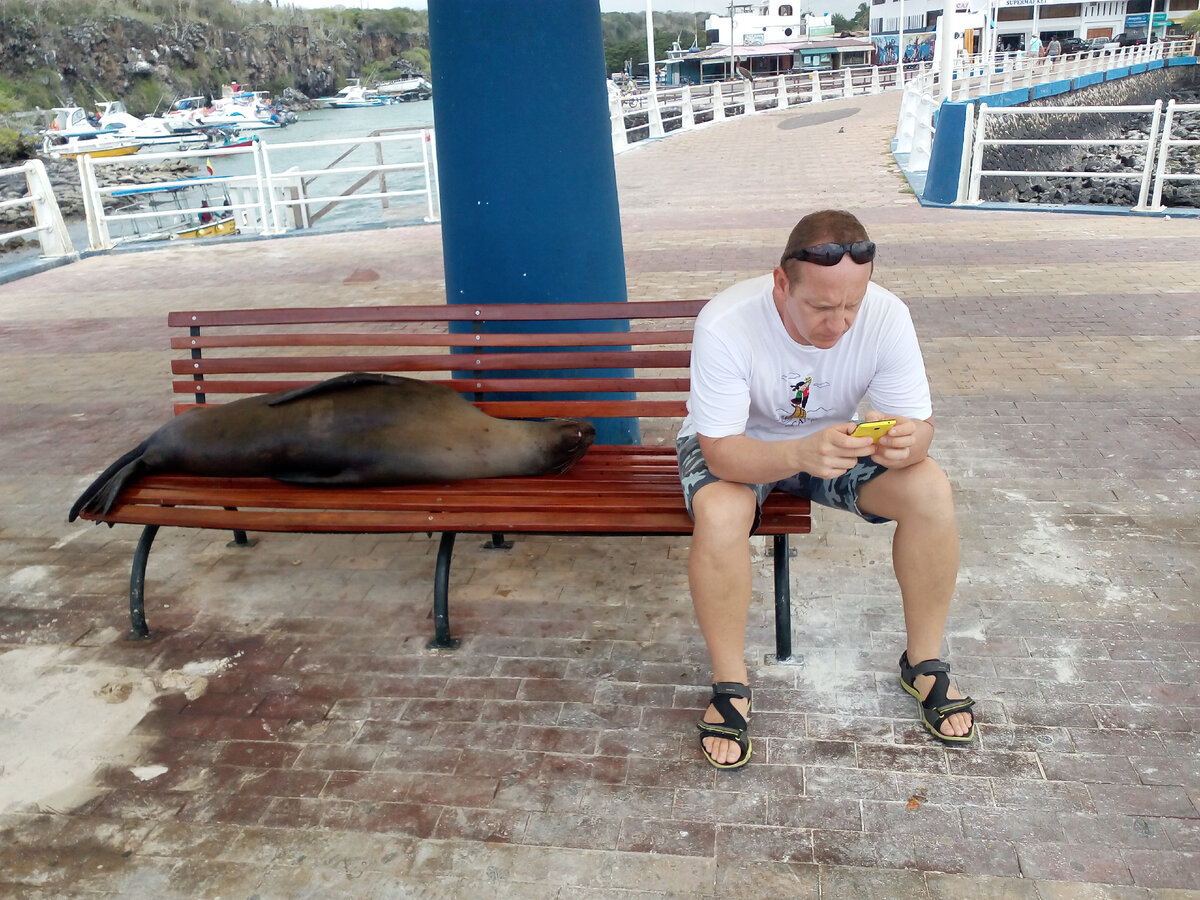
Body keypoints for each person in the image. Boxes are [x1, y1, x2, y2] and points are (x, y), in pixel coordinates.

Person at [679, 209, 975, 769]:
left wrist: (907, 443)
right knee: (720, 511)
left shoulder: (888, 315)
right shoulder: (726, 322)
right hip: (739, 443)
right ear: (781, 283)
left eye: (851, 306)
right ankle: (730, 684)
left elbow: (919, 428)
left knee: (930, 489)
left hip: (834, 445)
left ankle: (924, 663)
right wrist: (795, 452)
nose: (839, 325)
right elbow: (720, 451)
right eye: (820, 307)